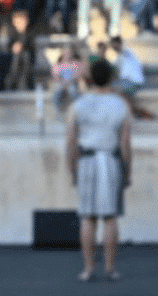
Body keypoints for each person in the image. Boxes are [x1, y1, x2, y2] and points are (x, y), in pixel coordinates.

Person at [65, 59, 132, 282]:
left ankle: (89, 268)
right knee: (110, 217)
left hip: (87, 160)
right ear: (111, 78)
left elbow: (71, 141)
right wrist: (127, 171)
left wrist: (72, 168)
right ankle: (111, 268)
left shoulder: (79, 105)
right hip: (111, 160)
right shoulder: (120, 105)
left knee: (88, 217)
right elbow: (125, 144)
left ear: (90, 78)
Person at [110, 36, 154, 119]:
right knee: (114, 89)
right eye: (112, 46)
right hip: (126, 82)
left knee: (115, 89)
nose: (113, 47)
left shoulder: (128, 51)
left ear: (119, 44)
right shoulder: (118, 58)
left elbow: (122, 50)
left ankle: (137, 112)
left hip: (134, 82)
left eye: (115, 45)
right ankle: (138, 112)